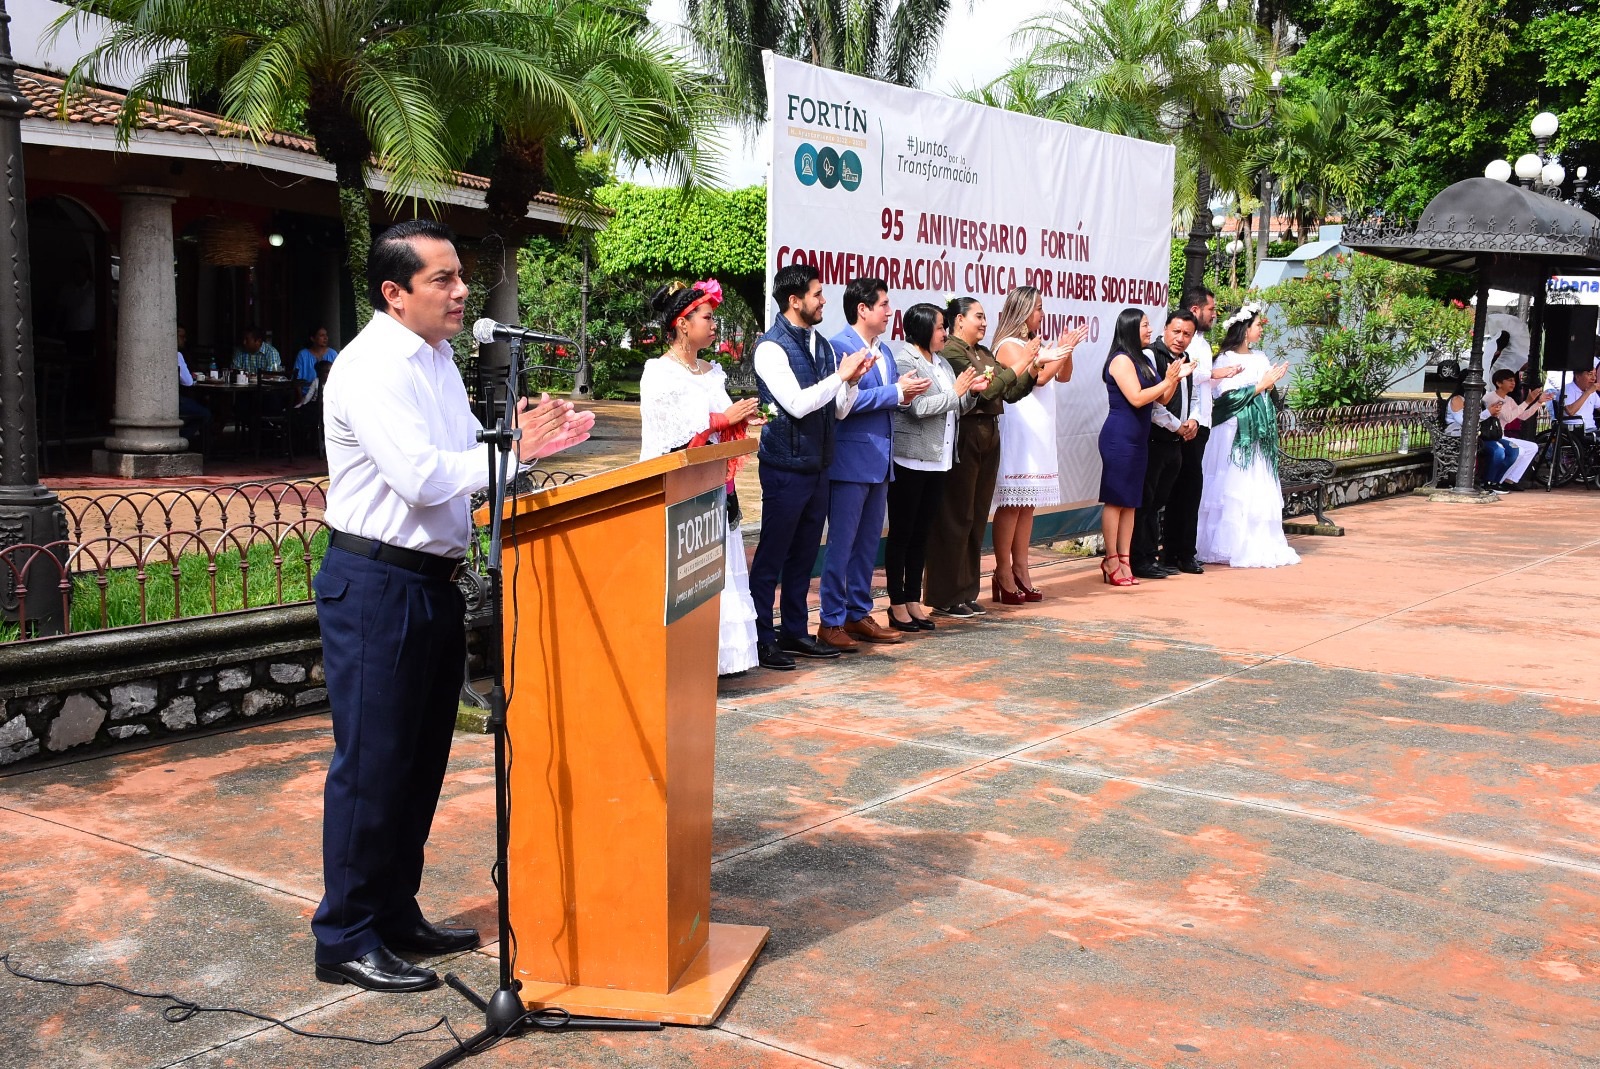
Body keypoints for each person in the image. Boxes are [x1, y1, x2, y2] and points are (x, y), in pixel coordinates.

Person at [313, 219, 594, 993]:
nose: (462, 290)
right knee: (372, 764)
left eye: (460, 275)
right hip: (375, 584)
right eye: (443, 279)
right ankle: (343, 932)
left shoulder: (435, 359)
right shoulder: (372, 366)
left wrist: (537, 442)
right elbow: (423, 477)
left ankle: (393, 908)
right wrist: (511, 450)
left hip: (430, 582)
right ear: (394, 293)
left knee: (418, 760)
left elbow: (475, 458)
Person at [748, 263, 872, 671]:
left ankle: (796, 631)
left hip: (818, 465)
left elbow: (835, 411)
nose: (824, 301)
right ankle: (762, 638)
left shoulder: (821, 344)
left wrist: (850, 383)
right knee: (772, 556)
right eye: (817, 295)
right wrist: (839, 376)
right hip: (785, 465)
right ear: (794, 300)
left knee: (803, 557)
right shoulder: (770, 347)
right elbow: (798, 404)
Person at [638, 279, 761, 675]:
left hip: (715, 484)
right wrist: (725, 419)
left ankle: (720, 661)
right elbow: (672, 434)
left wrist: (738, 422)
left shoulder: (712, 372)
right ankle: (684, 660)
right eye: (707, 317)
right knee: (686, 571)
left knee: (717, 566)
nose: (714, 325)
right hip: (679, 489)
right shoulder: (658, 373)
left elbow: (718, 424)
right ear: (681, 323)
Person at [818, 278, 929, 651]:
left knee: (866, 545)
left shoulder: (883, 350)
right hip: (850, 461)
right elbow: (843, 405)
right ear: (862, 309)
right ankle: (831, 620)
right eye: (882, 304)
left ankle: (858, 612)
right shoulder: (839, 347)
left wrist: (904, 390)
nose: (888, 311)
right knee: (842, 544)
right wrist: (895, 392)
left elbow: (882, 398)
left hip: (880, 461)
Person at [924, 298, 1033, 619]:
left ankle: (967, 590)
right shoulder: (953, 352)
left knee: (975, 515)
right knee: (955, 515)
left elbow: (1011, 392)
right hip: (965, 432)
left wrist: (1033, 367)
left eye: (985, 318)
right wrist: (1018, 364)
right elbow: (984, 392)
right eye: (979, 317)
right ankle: (945, 595)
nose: (984, 323)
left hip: (989, 431)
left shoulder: (984, 353)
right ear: (959, 320)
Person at [884, 303, 983, 632]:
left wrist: (970, 394)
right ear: (925, 328)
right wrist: (956, 393)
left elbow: (955, 407)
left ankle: (914, 598)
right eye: (941, 327)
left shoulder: (940, 363)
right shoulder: (904, 359)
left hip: (939, 460)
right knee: (902, 534)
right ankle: (896, 603)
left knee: (922, 534)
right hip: (911, 458)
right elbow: (918, 407)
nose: (944, 333)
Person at [990, 286, 1083, 603]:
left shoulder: (1035, 344)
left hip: (1039, 427)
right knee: (1013, 502)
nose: (1042, 313)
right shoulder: (1008, 346)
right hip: (1019, 427)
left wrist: (1065, 351)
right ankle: (1002, 571)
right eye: (1038, 308)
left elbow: (1064, 376)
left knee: (1028, 503)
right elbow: (1039, 378)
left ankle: (1021, 569)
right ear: (1022, 310)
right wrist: (1059, 350)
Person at [1195, 303, 1300, 568]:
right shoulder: (1225, 360)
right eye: (1258, 325)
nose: (1262, 329)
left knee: (1254, 484)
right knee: (1231, 485)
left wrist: (1270, 385)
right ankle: (1224, 545)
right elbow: (1227, 398)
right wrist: (1260, 385)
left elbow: (1268, 394)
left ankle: (1255, 542)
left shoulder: (1261, 357)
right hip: (1233, 432)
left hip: (1258, 433)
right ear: (1244, 330)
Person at [1097, 309, 1192, 586]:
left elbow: (1161, 399)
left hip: (1138, 439)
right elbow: (1137, 398)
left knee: (1131, 503)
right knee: (1116, 500)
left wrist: (1174, 378)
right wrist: (1167, 380)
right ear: (1129, 329)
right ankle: (1111, 559)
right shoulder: (1121, 360)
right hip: (1119, 437)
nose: (1150, 331)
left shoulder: (1142, 360)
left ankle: (1125, 560)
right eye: (1145, 326)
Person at [1162, 286, 1242, 575]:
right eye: (1210, 309)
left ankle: (1178, 550)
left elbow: (1202, 386)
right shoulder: (1188, 345)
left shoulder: (1204, 344)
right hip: (1186, 424)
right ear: (1195, 310)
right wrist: (1215, 374)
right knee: (1185, 489)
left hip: (1201, 421)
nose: (1214, 314)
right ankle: (1180, 551)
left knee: (1189, 489)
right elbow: (1186, 377)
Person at [1129, 310, 1200, 579]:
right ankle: (1140, 559)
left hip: (1176, 443)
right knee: (1145, 503)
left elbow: (1191, 396)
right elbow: (1153, 404)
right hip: (1154, 439)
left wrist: (1192, 420)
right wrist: (1176, 425)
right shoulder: (1151, 355)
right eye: (1176, 332)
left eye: (1187, 335)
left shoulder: (1186, 360)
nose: (1180, 339)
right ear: (1165, 329)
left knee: (1159, 502)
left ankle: (1153, 556)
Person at [1487, 369, 1551, 489]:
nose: (1513, 383)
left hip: (1501, 436)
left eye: (1514, 380)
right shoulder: (1490, 398)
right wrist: (1527, 401)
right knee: (1519, 450)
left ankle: (1509, 480)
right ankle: (1497, 481)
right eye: (1509, 380)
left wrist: (1538, 403)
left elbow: (1523, 416)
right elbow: (1508, 417)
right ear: (1499, 383)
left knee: (1532, 447)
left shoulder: (1509, 400)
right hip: (1493, 436)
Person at [1445, 390, 1518, 493]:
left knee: (1513, 449)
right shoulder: (1457, 399)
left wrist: (1492, 413)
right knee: (1498, 451)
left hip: (1482, 434)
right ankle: (1488, 482)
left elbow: (1482, 418)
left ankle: (1496, 481)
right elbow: (1464, 421)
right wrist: (1488, 412)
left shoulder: (1480, 399)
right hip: (1460, 436)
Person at [176, 325, 210, 446]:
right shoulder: (177, 355)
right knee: (205, 413)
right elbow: (188, 382)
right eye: (181, 336)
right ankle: (182, 439)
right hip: (176, 402)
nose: (184, 340)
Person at [295, 325, 339, 402]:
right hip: (307, 396)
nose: (326, 338)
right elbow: (297, 379)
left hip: (329, 397)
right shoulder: (303, 355)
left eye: (326, 335)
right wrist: (301, 399)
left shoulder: (333, 354)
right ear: (312, 338)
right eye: (322, 335)